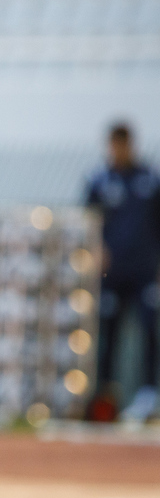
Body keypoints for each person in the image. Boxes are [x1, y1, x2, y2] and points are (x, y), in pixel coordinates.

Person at [85, 122, 160, 422]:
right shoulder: (99, 180)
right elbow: (89, 222)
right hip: (111, 274)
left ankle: (148, 394)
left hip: (144, 271)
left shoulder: (149, 180)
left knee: (148, 331)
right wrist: (96, 250)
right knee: (107, 334)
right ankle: (106, 395)